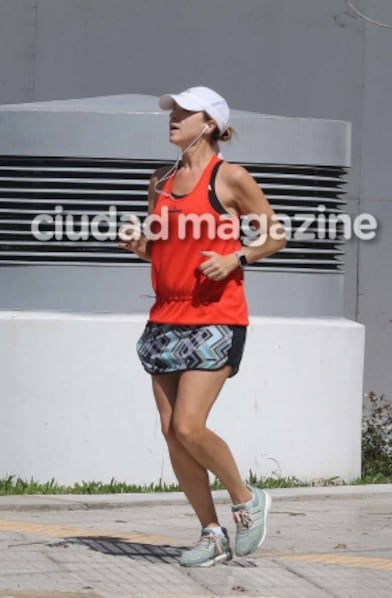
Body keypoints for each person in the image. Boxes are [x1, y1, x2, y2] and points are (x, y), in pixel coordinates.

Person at [120, 86, 287, 567]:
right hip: (165, 317)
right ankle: (210, 533)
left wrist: (236, 255)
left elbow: (275, 233)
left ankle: (245, 497)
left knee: (190, 425)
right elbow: (161, 246)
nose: (172, 119)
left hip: (216, 314)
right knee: (172, 431)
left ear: (209, 124)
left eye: (183, 113)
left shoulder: (230, 178)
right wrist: (140, 244)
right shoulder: (160, 180)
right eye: (171, 112)